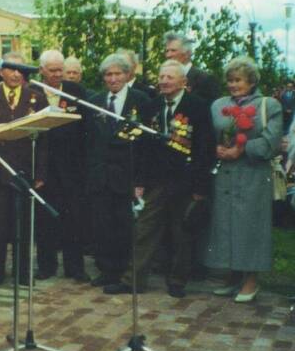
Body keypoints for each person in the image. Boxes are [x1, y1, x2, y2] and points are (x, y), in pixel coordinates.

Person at [104, 60, 215, 298]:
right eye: (161, 77)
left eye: (169, 77)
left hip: (186, 181)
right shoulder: (153, 105)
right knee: (143, 230)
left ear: (183, 82)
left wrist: (200, 187)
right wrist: (140, 182)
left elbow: (205, 148)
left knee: (181, 233)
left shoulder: (197, 107)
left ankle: (177, 281)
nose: (163, 81)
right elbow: (144, 147)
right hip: (157, 181)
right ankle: (132, 280)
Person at [205, 56, 283, 303]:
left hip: (252, 175)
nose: (232, 84)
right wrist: (215, 148)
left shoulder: (269, 105)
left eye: (238, 80)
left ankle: (251, 279)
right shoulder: (218, 104)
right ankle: (232, 276)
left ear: (251, 81)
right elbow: (209, 134)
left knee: (251, 226)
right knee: (226, 225)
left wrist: (243, 148)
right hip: (225, 175)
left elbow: (272, 141)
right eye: (229, 80)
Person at [0, 52, 47, 286]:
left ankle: (23, 272)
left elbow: (45, 141)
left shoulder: (36, 99)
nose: (16, 74)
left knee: (23, 224)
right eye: (11, 69)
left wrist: (40, 173)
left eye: (21, 70)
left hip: (24, 171)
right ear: (1, 72)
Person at [85, 53, 150, 287]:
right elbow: (89, 140)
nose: (113, 79)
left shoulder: (140, 100)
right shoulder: (94, 100)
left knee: (123, 227)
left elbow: (146, 146)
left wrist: (140, 180)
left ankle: (122, 273)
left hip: (127, 175)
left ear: (127, 74)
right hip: (100, 175)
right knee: (101, 225)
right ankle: (105, 270)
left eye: (117, 74)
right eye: (108, 75)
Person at [34, 49, 90, 282]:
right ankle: (46, 266)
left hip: (72, 168)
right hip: (44, 169)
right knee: (45, 219)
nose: (58, 75)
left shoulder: (76, 92)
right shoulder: (33, 92)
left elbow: (86, 129)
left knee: (74, 219)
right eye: (53, 70)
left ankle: (75, 267)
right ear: (42, 71)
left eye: (61, 70)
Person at [164, 32, 221, 103]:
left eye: (173, 50)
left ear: (187, 54)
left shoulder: (205, 79)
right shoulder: (163, 80)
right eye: (167, 51)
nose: (168, 55)